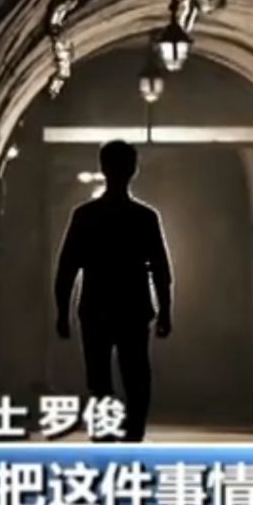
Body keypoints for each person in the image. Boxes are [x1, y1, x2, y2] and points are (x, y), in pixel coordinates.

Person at [54, 140, 173, 442]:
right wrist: (165, 311)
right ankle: (133, 436)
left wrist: (62, 312)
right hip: (134, 308)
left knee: (99, 379)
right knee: (137, 376)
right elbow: (160, 270)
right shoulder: (145, 218)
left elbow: (67, 268)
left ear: (103, 168)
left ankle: (105, 438)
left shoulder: (85, 216)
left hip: (95, 308)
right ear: (134, 170)